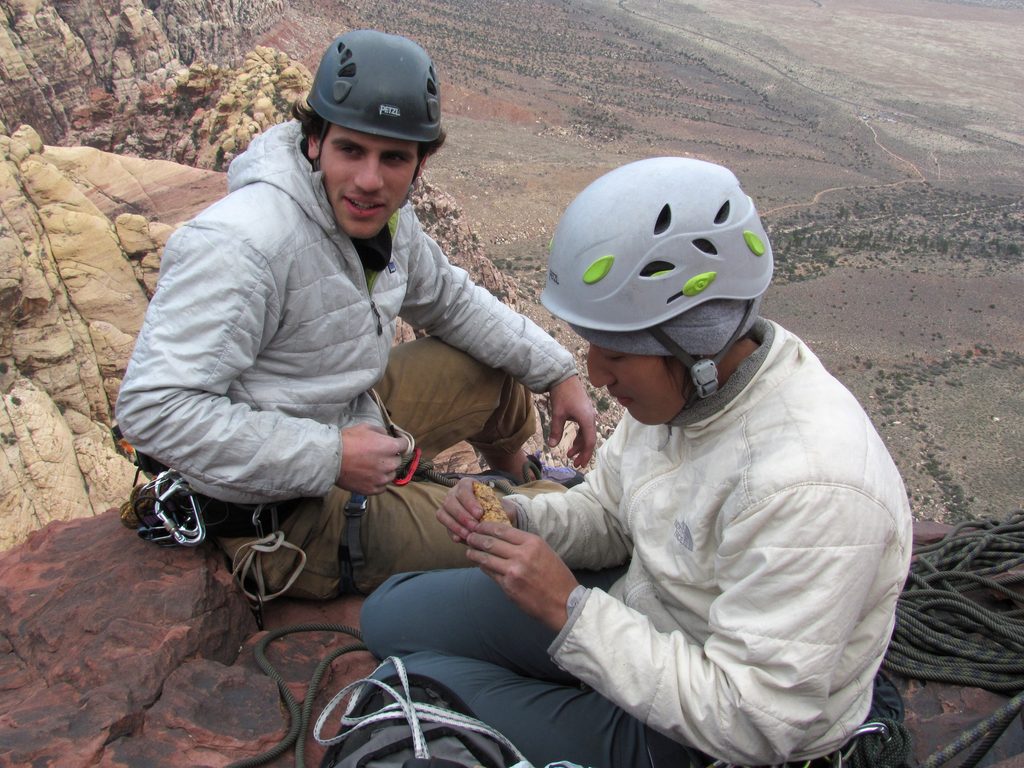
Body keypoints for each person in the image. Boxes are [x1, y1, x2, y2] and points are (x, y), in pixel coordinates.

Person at [360, 157, 914, 767]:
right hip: (636, 614)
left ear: (695, 340)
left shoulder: (808, 485)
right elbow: (614, 511)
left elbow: (755, 721)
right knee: (388, 616)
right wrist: (521, 521)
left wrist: (567, 611)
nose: (594, 373)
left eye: (617, 351)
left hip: (702, 737)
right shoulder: (687, 396)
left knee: (398, 688)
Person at [115, 29, 596, 602]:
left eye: (394, 158)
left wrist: (558, 372)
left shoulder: (389, 217)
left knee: (493, 372)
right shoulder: (244, 244)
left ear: (420, 164)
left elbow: (449, 299)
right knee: (561, 524)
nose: (370, 180)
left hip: (345, 408)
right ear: (314, 141)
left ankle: (516, 476)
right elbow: (153, 410)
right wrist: (330, 456)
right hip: (285, 516)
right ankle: (531, 500)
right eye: (352, 150)